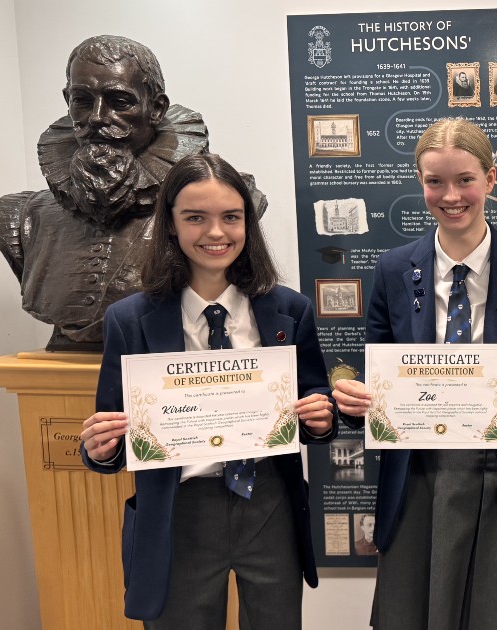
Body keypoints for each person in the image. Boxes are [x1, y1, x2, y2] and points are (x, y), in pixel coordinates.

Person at [332, 118, 497, 629]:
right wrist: (356, 401)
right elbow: (378, 370)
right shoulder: (393, 270)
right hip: (417, 472)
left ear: (490, 179)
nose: (450, 196)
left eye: (465, 179)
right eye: (435, 182)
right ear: (420, 182)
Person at [78, 153, 335, 627]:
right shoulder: (129, 320)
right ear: (171, 224)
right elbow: (111, 433)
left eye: (231, 217)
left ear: (247, 223)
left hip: (269, 502)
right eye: (196, 217)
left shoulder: (290, 311)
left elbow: (316, 403)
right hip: (179, 510)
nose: (216, 232)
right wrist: (99, 448)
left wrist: (321, 419)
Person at [0, 35, 265, 349]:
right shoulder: (22, 217)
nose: (97, 117)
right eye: (82, 100)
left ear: (156, 108)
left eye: (119, 102)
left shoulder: (233, 202)